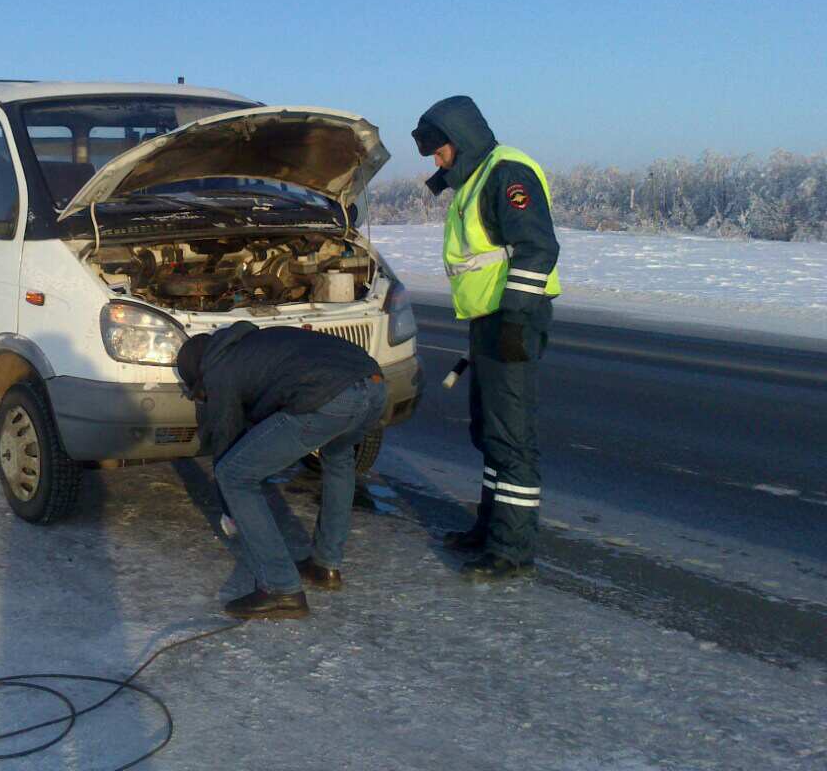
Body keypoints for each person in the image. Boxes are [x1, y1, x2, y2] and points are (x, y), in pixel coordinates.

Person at [411, 95, 561, 581]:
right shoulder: (474, 179)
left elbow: (537, 247)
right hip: (490, 320)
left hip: (513, 318)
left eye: (439, 150)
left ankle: (511, 552)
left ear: (458, 140)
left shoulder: (505, 172)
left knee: (512, 439)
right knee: (491, 433)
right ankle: (490, 529)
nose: (436, 160)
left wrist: (515, 320)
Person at [176, 321, 386, 619]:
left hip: (329, 397)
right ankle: (326, 565)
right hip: (375, 385)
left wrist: (230, 511)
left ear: (198, 373)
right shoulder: (254, 341)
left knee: (234, 476)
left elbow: (226, 440)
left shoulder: (217, 371)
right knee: (338, 460)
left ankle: (281, 589)